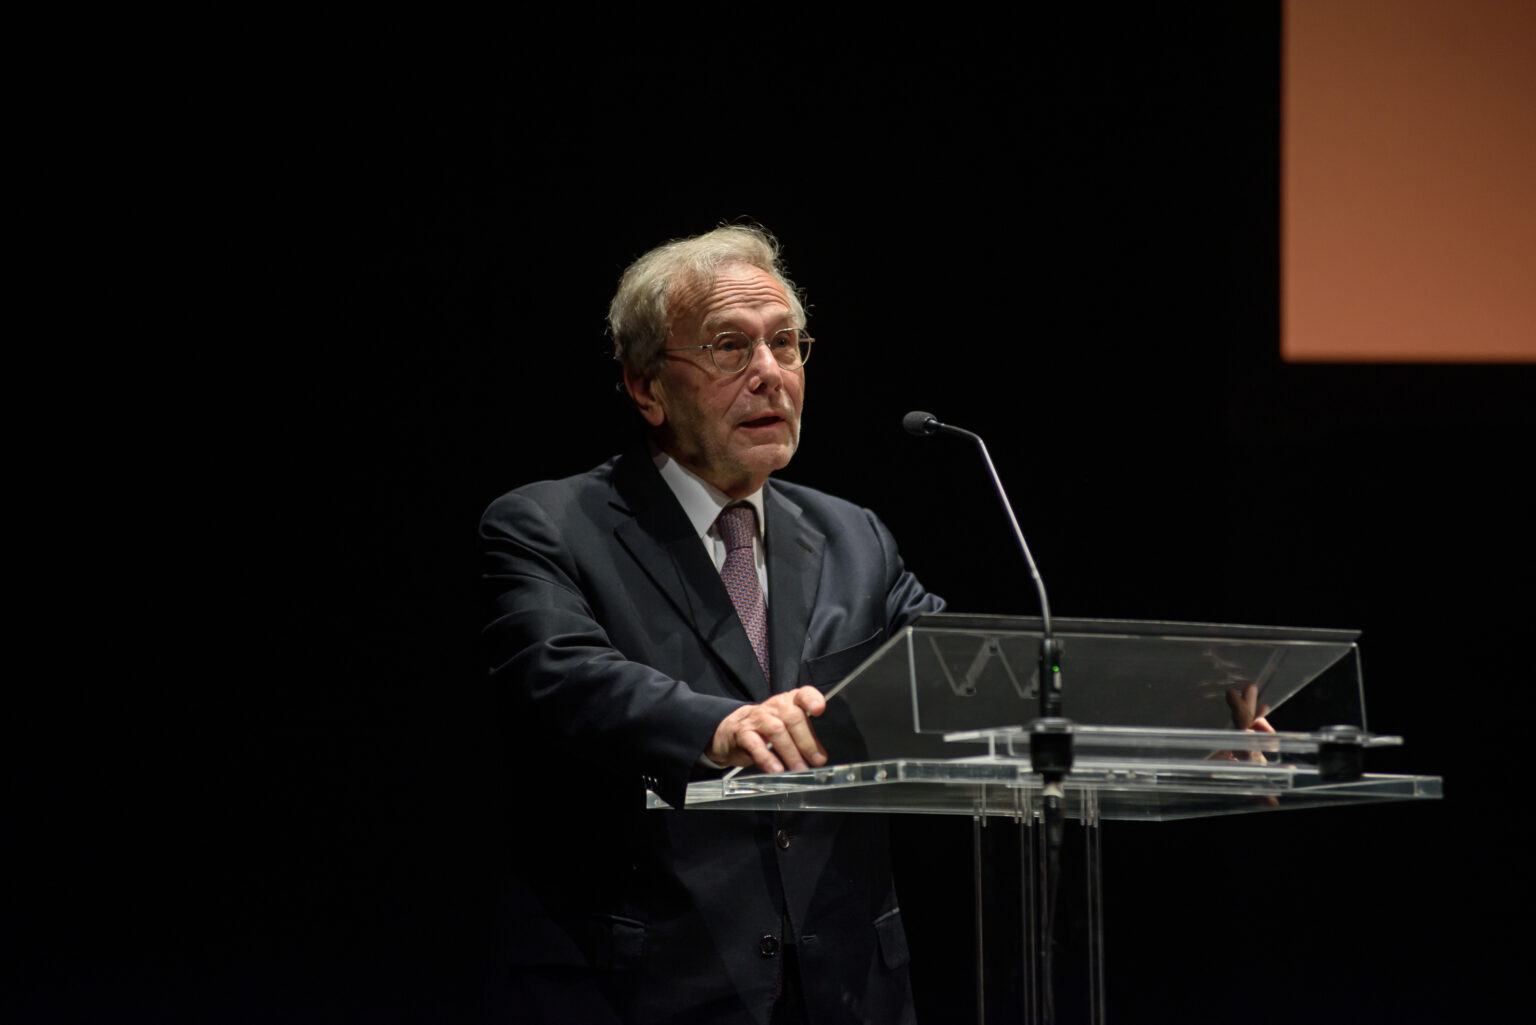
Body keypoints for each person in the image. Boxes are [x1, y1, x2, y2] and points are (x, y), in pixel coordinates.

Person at [479, 224, 943, 1025]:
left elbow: (963, 670)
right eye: (730, 347)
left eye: (785, 344)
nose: (770, 373)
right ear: (647, 387)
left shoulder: (854, 536)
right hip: (646, 984)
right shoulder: (548, 526)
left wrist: (1128, 705)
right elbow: (564, 673)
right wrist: (721, 726)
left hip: (846, 991)